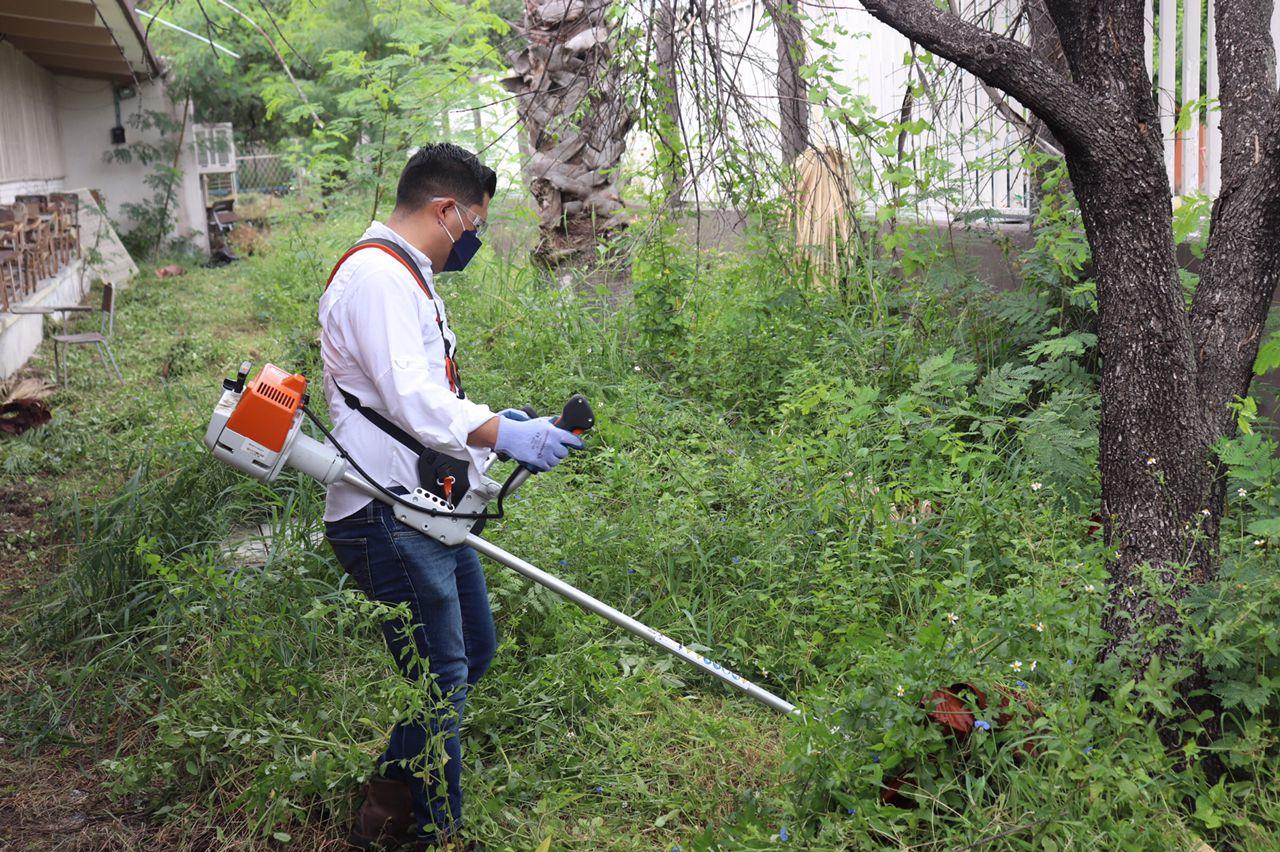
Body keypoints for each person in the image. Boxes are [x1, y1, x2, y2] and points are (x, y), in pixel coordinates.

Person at [320, 143, 583, 850]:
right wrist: (501, 433)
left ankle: (388, 795)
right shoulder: (378, 277)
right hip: (382, 513)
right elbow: (410, 397)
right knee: (440, 679)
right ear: (444, 210)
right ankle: (435, 832)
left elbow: (419, 397)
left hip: (418, 507)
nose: (471, 239)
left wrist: (500, 427)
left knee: (472, 653)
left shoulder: (405, 274)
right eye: (473, 224)